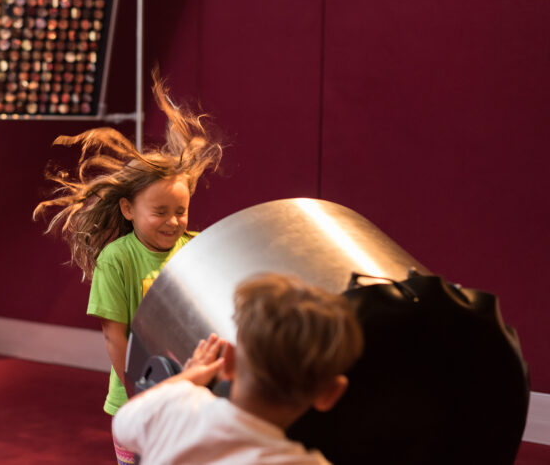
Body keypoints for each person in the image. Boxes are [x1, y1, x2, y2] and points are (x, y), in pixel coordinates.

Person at [33, 70, 222, 464]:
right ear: (128, 209)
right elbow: (114, 336)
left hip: (193, 394)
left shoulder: (198, 246)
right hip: (138, 398)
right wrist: (139, 390)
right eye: (160, 212)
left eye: (181, 211)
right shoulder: (117, 258)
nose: (173, 221)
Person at [112, 273, 365, 465]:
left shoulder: (176, 406)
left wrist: (188, 377)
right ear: (331, 393)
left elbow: (124, 422)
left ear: (228, 362)